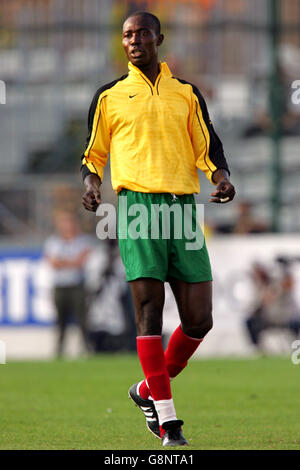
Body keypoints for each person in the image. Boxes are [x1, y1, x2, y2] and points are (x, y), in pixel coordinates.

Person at [81, 11, 235, 446]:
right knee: (149, 313)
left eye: (142, 33)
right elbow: (92, 156)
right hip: (135, 210)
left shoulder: (185, 93)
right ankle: (169, 425)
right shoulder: (109, 96)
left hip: (183, 211)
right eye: (127, 34)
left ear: (158, 38)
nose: (134, 40)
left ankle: (146, 390)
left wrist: (221, 178)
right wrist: (91, 186)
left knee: (199, 320)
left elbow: (209, 146)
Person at [44, 210, 93, 357]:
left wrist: (63, 261)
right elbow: (53, 263)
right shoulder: (53, 242)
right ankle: (59, 350)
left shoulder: (83, 240)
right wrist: (71, 261)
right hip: (60, 286)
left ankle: (86, 348)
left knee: (83, 319)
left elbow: (81, 262)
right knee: (60, 321)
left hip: (76, 285)